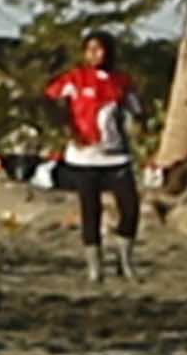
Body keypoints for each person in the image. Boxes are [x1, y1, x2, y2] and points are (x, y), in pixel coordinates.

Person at [42, 33, 144, 287]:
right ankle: (94, 268)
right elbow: (47, 102)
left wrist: (139, 129)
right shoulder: (75, 78)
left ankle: (125, 261)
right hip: (84, 159)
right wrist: (68, 130)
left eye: (99, 49)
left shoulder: (121, 82)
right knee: (91, 211)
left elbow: (138, 112)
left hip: (116, 156)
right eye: (90, 50)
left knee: (130, 208)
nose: (95, 54)